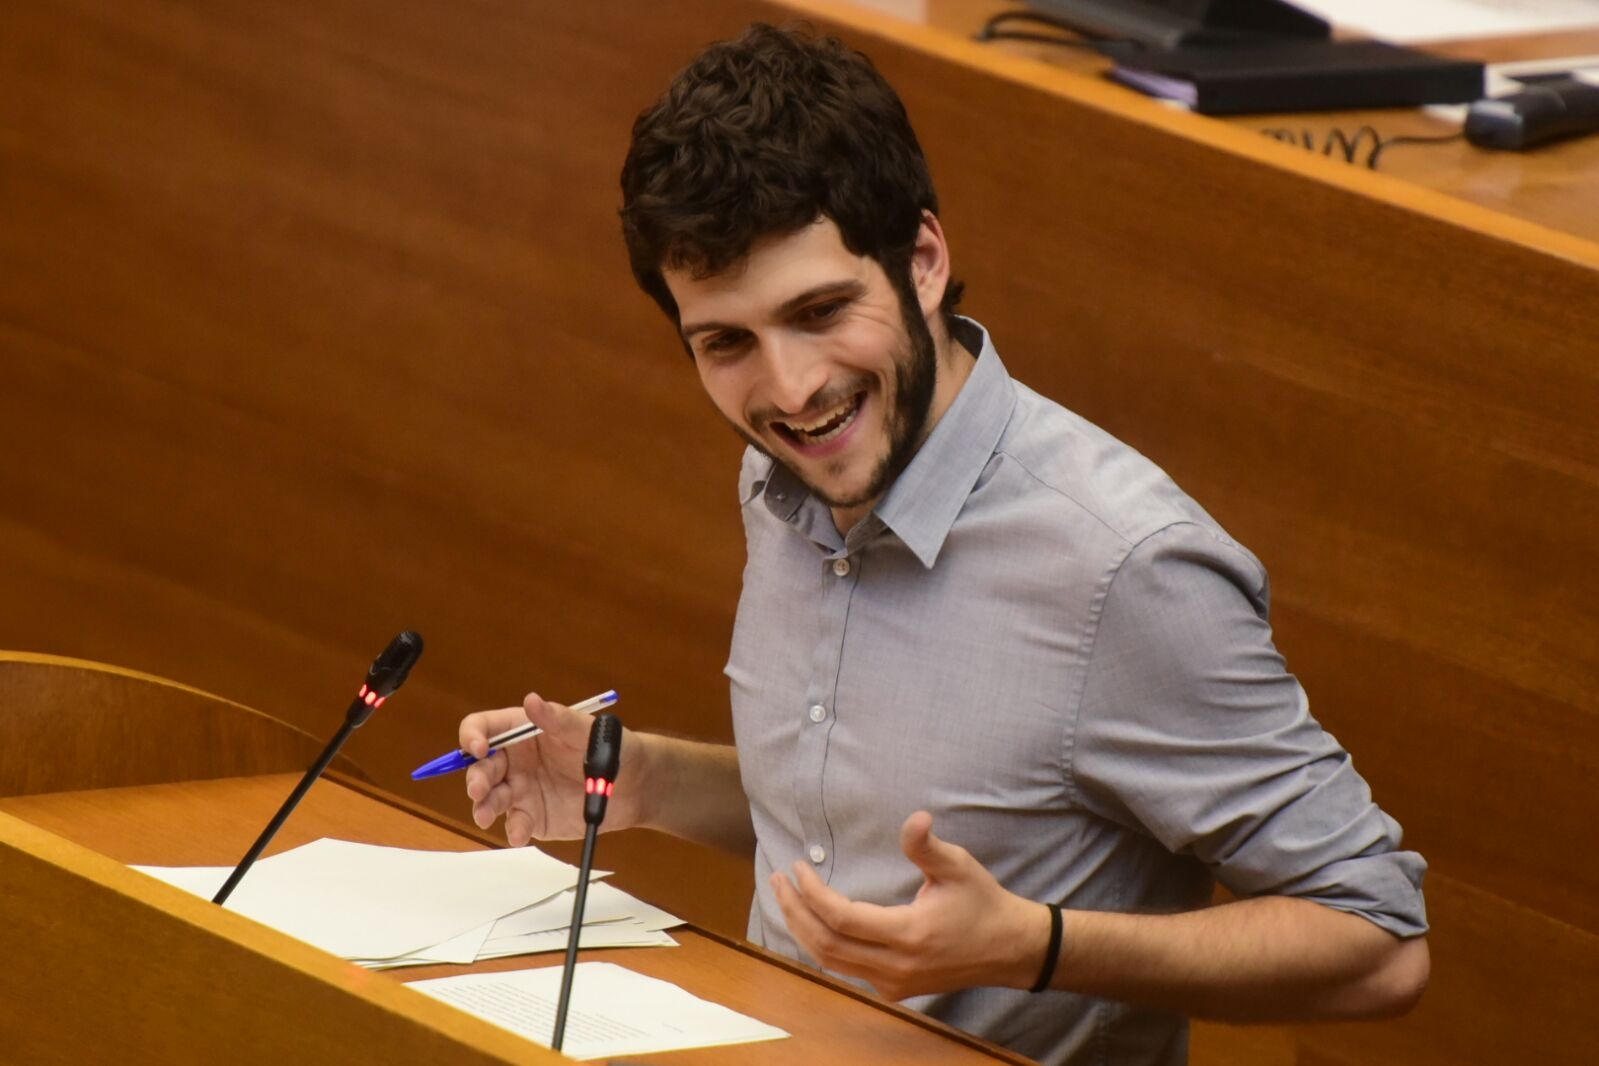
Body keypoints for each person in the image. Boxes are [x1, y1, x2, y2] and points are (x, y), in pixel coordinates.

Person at [459, 22, 1429, 1065]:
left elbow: (1378, 939)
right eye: (728, 343)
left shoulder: (1125, 567)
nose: (789, 392)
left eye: (822, 310)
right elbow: (859, 816)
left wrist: (1035, 945)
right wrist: (639, 780)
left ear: (921, 261)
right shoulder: (783, 472)